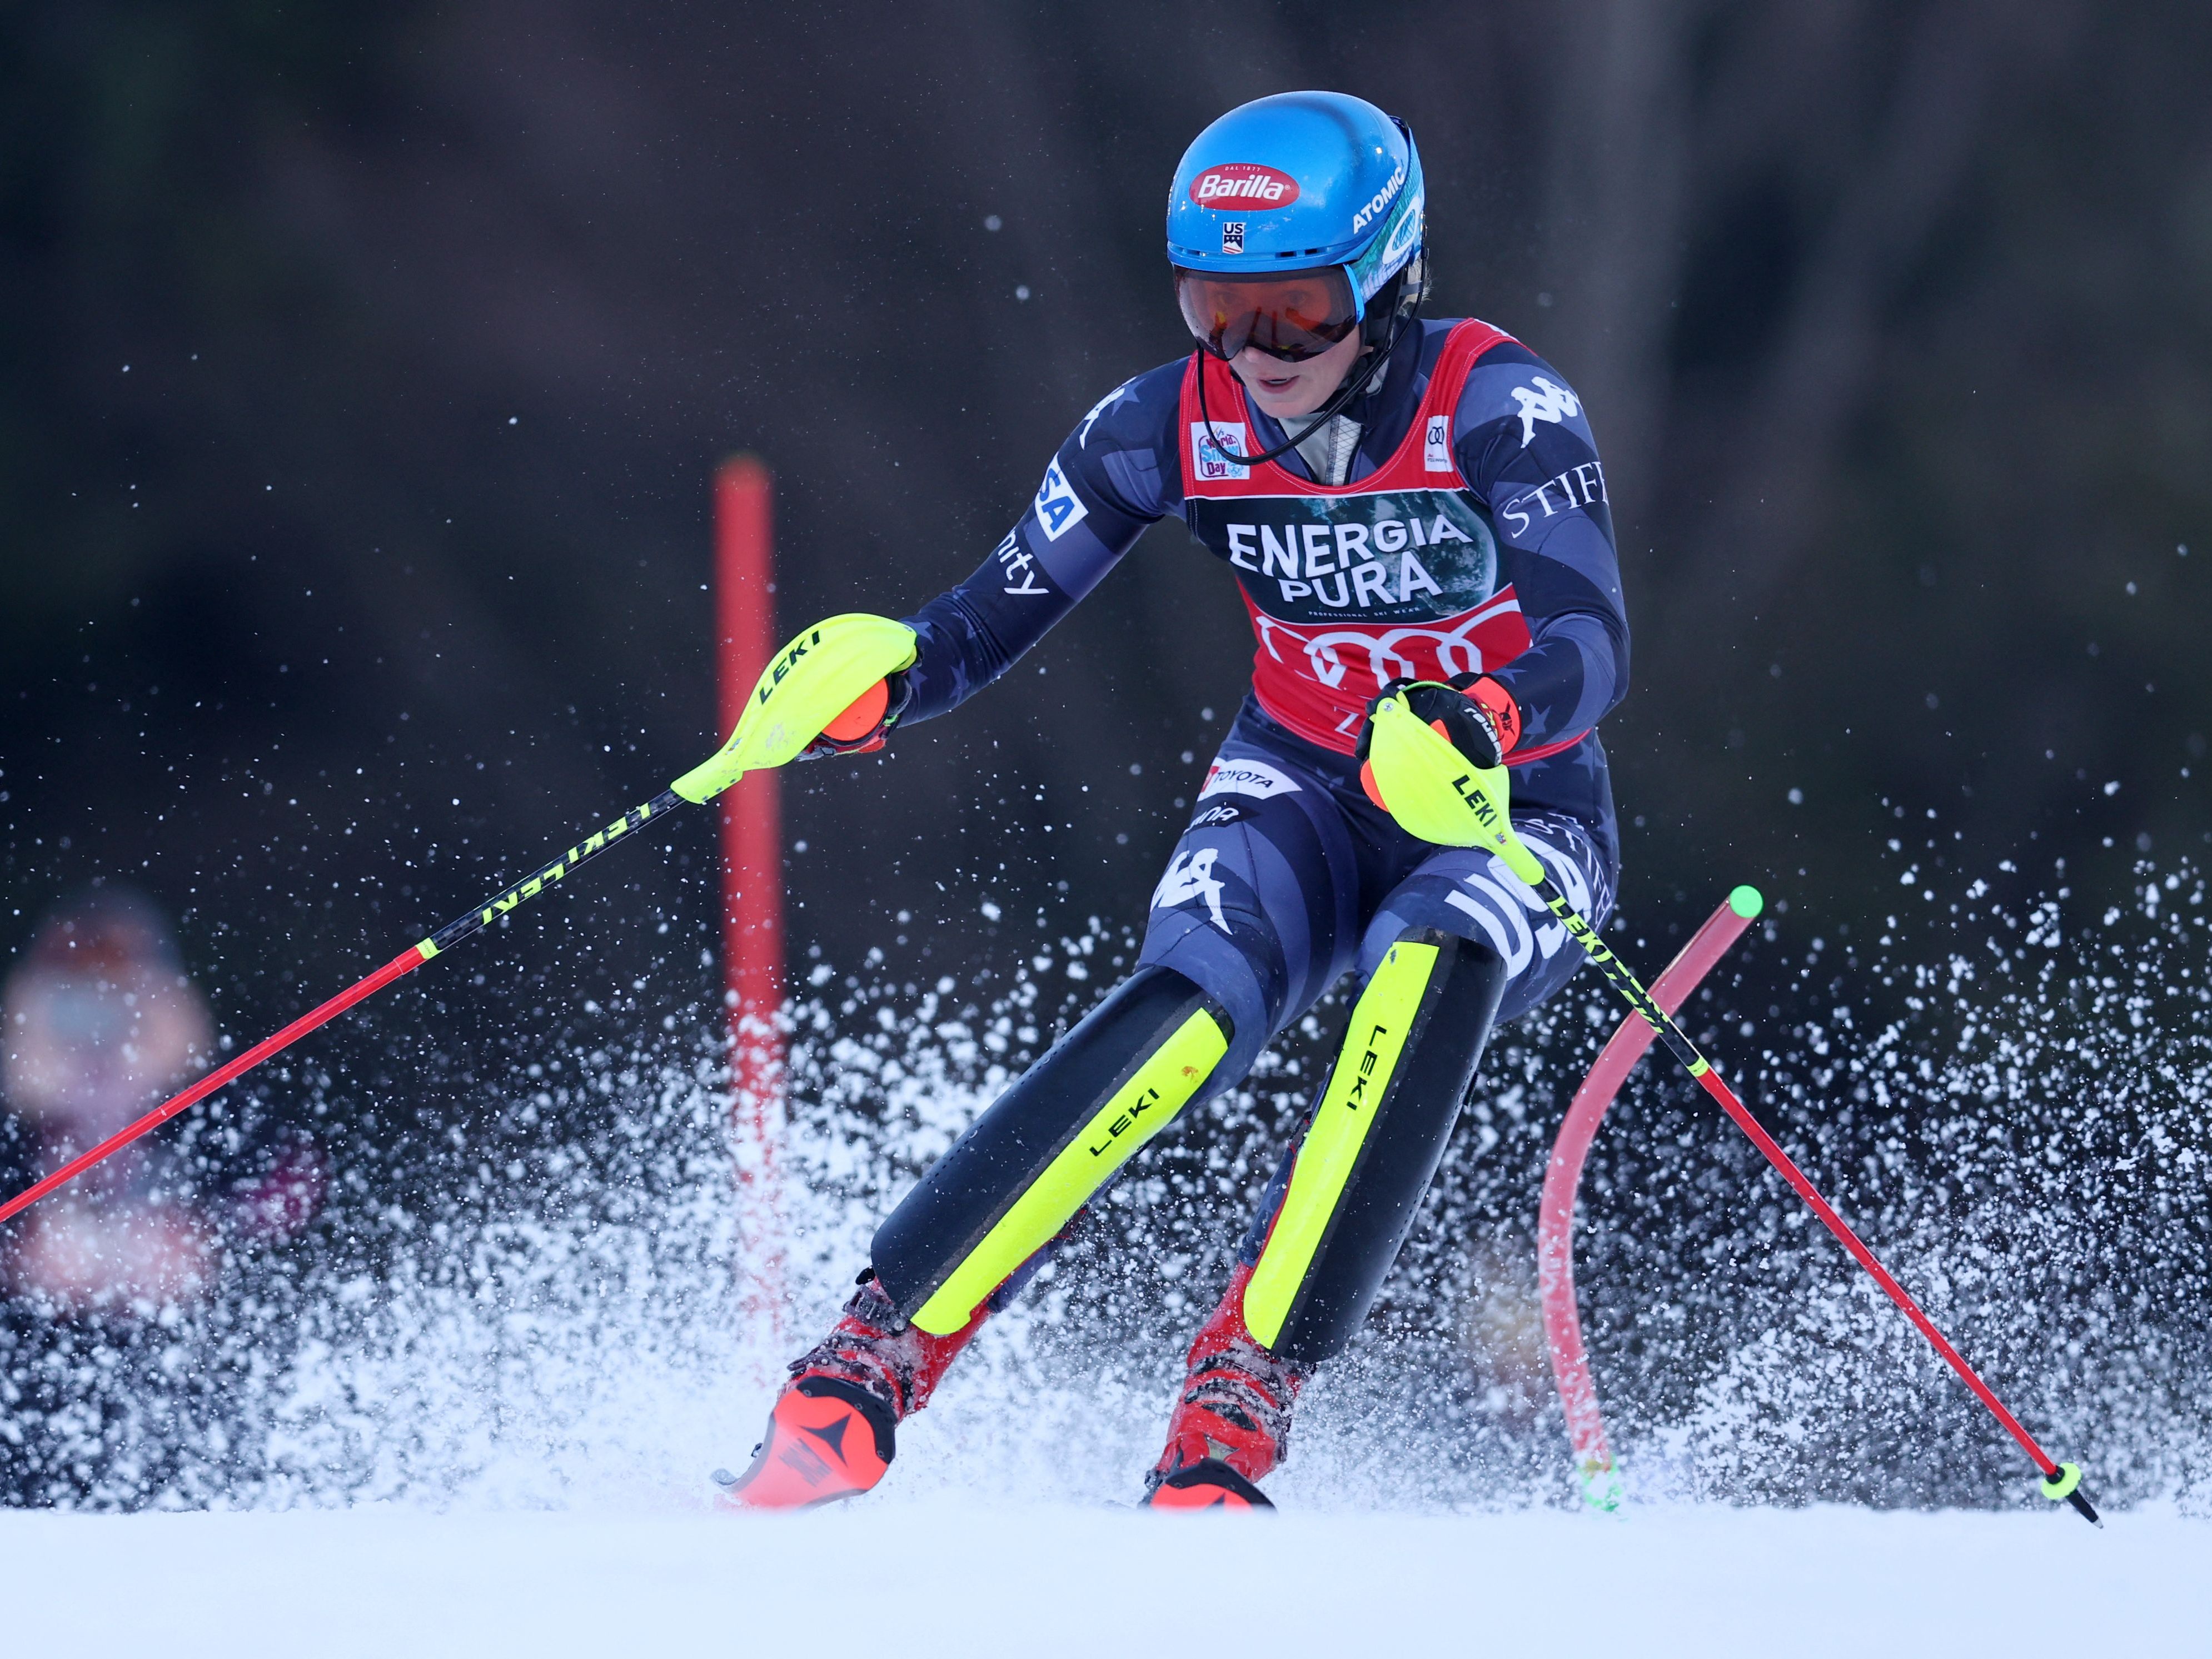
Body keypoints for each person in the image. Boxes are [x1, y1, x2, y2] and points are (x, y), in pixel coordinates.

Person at [716, 89, 1627, 1510]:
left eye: (1298, 312)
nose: (1254, 353)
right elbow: (990, 613)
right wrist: (887, 678)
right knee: (1188, 1007)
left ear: (1386, 281)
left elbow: (1591, 639)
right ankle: (873, 1352)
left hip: (1510, 800)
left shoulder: (1499, 403)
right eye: (1217, 307)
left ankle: (1240, 1394)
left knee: (1422, 971)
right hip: (1304, 779)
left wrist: (1492, 712)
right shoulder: (1163, 424)